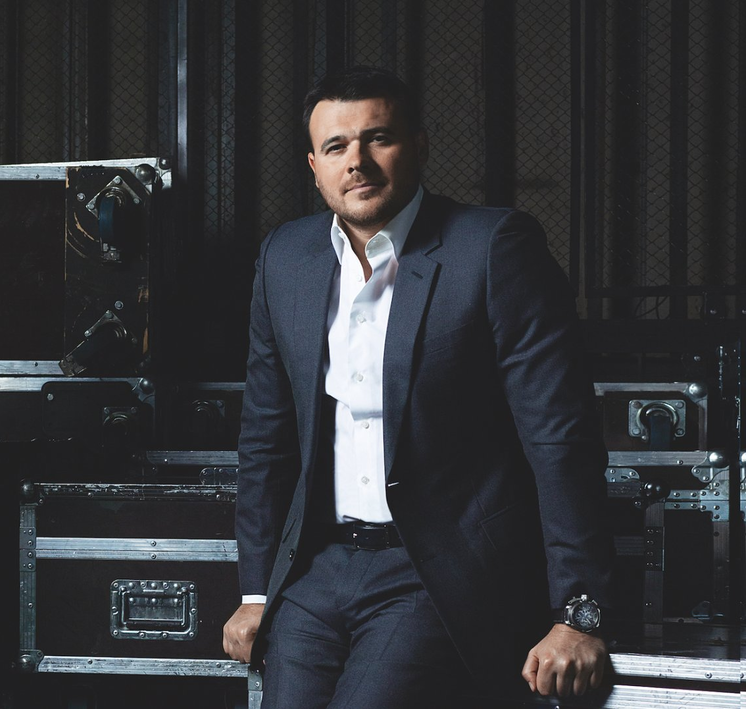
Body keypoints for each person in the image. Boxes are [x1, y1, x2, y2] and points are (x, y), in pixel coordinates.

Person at [222, 66, 614, 707]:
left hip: (436, 572)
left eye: (378, 138)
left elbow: (560, 437)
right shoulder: (285, 258)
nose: (357, 161)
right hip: (316, 571)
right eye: (336, 147)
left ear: (420, 145)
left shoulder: (492, 248)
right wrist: (257, 591)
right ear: (315, 167)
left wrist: (580, 613)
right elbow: (265, 438)